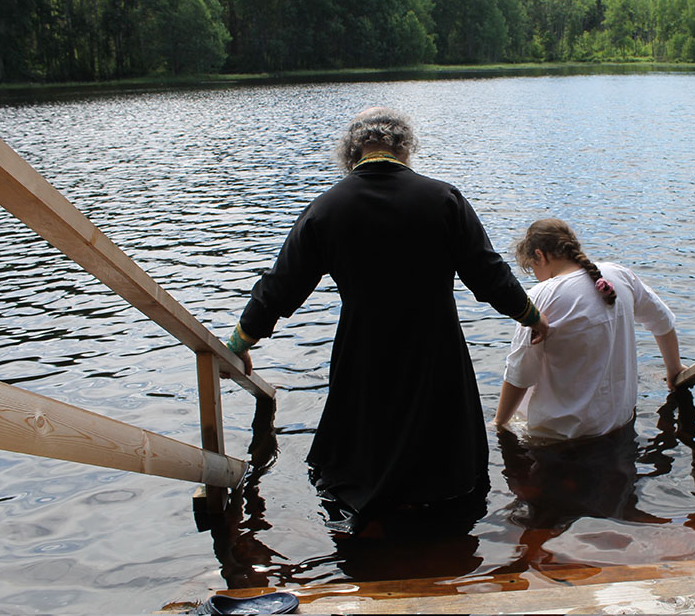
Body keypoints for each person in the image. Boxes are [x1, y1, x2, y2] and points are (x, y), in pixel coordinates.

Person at [224, 107, 548, 533]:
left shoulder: (326, 208)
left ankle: (371, 531)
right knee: (447, 476)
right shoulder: (443, 199)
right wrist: (531, 316)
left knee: (360, 461)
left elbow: (280, 287)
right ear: (404, 147)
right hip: (435, 351)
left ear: (353, 151)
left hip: (364, 352)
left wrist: (238, 343)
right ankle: (441, 532)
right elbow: (489, 276)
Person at [494, 218, 683, 441]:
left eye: (533, 267)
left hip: (561, 438)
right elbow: (662, 321)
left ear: (540, 256)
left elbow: (520, 374)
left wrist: (498, 423)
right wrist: (674, 370)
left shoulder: (541, 297)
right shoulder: (620, 275)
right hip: (619, 424)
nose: (536, 276)